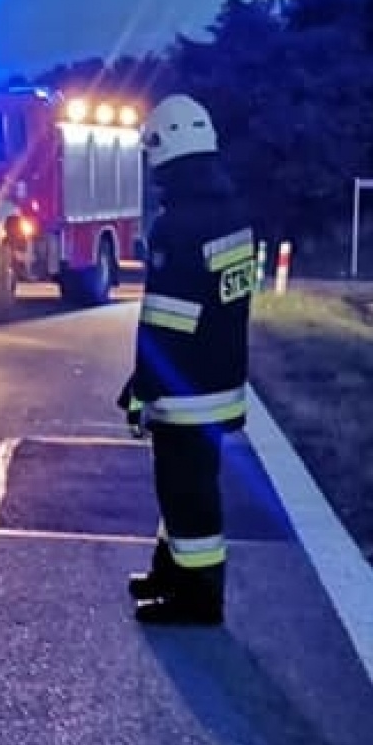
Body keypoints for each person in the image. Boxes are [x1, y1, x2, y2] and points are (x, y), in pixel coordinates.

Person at [116, 94, 254, 626]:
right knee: (182, 487)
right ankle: (169, 573)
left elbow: (166, 321)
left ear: (163, 149)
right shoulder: (232, 214)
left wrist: (142, 387)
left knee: (188, 495)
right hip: (221, 378)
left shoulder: (177, 227)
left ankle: (198, 599)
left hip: (185, 389)